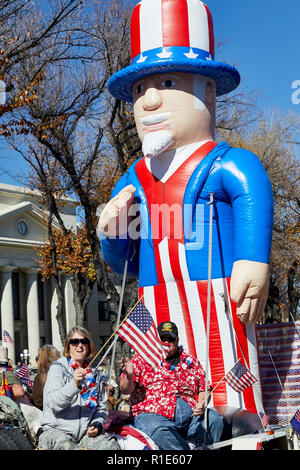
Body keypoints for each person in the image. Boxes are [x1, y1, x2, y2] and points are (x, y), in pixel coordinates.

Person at [98, 0, 273, 415]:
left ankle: (239, 416)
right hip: (153, 293)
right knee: (156, 368)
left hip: (217, 289)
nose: (150, 101)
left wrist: (252, 258)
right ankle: (155, 418)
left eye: (169, 82)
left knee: (226, 362)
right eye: (140, 90)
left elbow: (252, 191)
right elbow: (122, 262)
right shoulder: (134, 178)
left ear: (207, 90)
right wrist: (112, 233)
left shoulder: (225, 161)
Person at [120, 321, 223, 450]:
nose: (166, 343)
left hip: (191, 419)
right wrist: (129, 376)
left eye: (171, 339)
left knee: (213, 419)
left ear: (177, 340)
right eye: (162, 338)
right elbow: (125, 389)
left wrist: (202, 403)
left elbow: (204, 388)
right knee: (160, 429)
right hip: (152, 416)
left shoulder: (191, 361)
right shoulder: (143, 359)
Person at [38, 326, 119, 450]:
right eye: (75, 342)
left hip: (85, 435)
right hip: (56, 431)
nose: (80, 345)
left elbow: (101, 408)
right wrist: (74, 385)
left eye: (84, 341)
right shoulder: (58, 368)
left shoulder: (95, 373)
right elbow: (53, 403)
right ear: (68, 346)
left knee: (110, 446)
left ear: (89, 346)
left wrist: (97, 423)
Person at [31, 344, 61, 410]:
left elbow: (37, 401)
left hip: (48, 414)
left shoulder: (41, 377)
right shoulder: (65, 372)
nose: (37, 361)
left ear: (42, 359)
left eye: (37, 358)